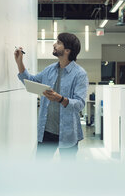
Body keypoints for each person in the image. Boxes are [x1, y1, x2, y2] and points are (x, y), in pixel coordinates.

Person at [14, 32, 88, 160]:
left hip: (68, 132)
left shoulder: (80, 74)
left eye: (58, 42)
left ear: (67, 50)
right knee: (41, 169)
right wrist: (19, 62)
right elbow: (30, 81)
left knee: (68, 171)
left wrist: (60, 99)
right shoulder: (50, 69)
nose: (54, 44)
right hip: (47, 130)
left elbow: (79, 104)